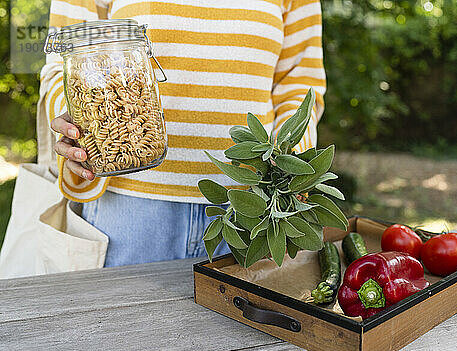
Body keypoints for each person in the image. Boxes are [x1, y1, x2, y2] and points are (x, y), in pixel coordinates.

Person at [42, 0, 326, 267]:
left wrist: (292, 161)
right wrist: (78, 126)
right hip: (130, 207)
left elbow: (299, 83)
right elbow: (62, 62)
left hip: (252, 209)